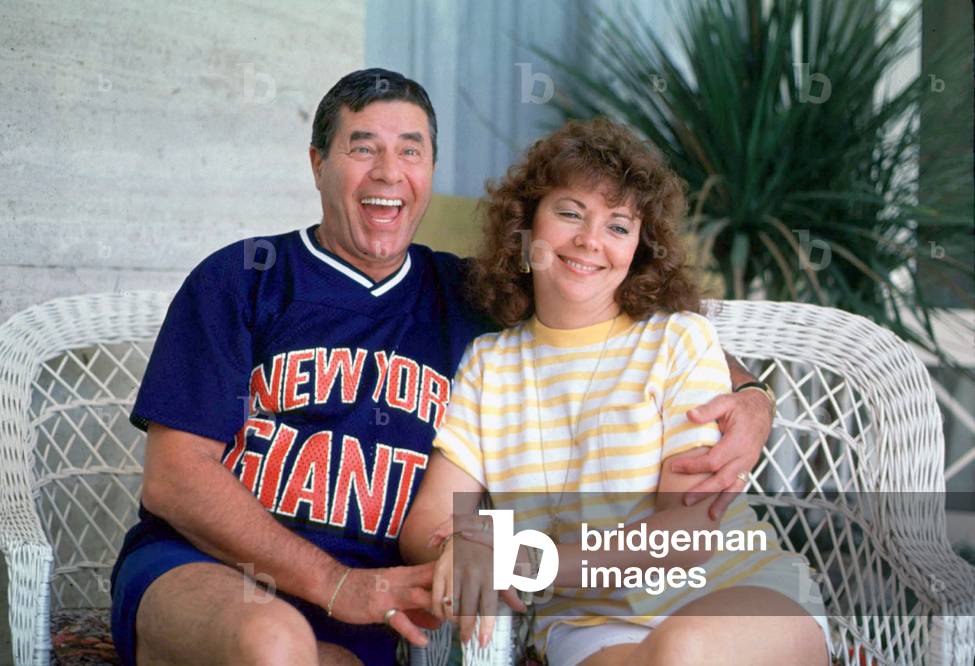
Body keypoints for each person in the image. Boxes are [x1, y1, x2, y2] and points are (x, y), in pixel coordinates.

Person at [110, 69, 776, 666]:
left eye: (411, 150)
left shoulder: (467, 297)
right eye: (362, 146)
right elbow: (175, 478)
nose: (387, 172)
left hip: (384, 602)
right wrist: (337, 582)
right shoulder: (245, 276)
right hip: (215, 568)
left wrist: (747, 394)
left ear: (430, 171)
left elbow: (621, 322)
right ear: (317, 163)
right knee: (273, 644)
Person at [400, 117, 831, 665]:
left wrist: (523, 559)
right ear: (526, 223)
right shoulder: (489, 365)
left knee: (683, 651)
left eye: (618, 226)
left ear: (639, 250)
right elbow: (427, 521)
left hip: (732, 588)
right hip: (588, 623)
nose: (589, 241)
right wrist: (460, 545)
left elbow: (687, 533)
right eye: (569, 213)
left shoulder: (678, 339)